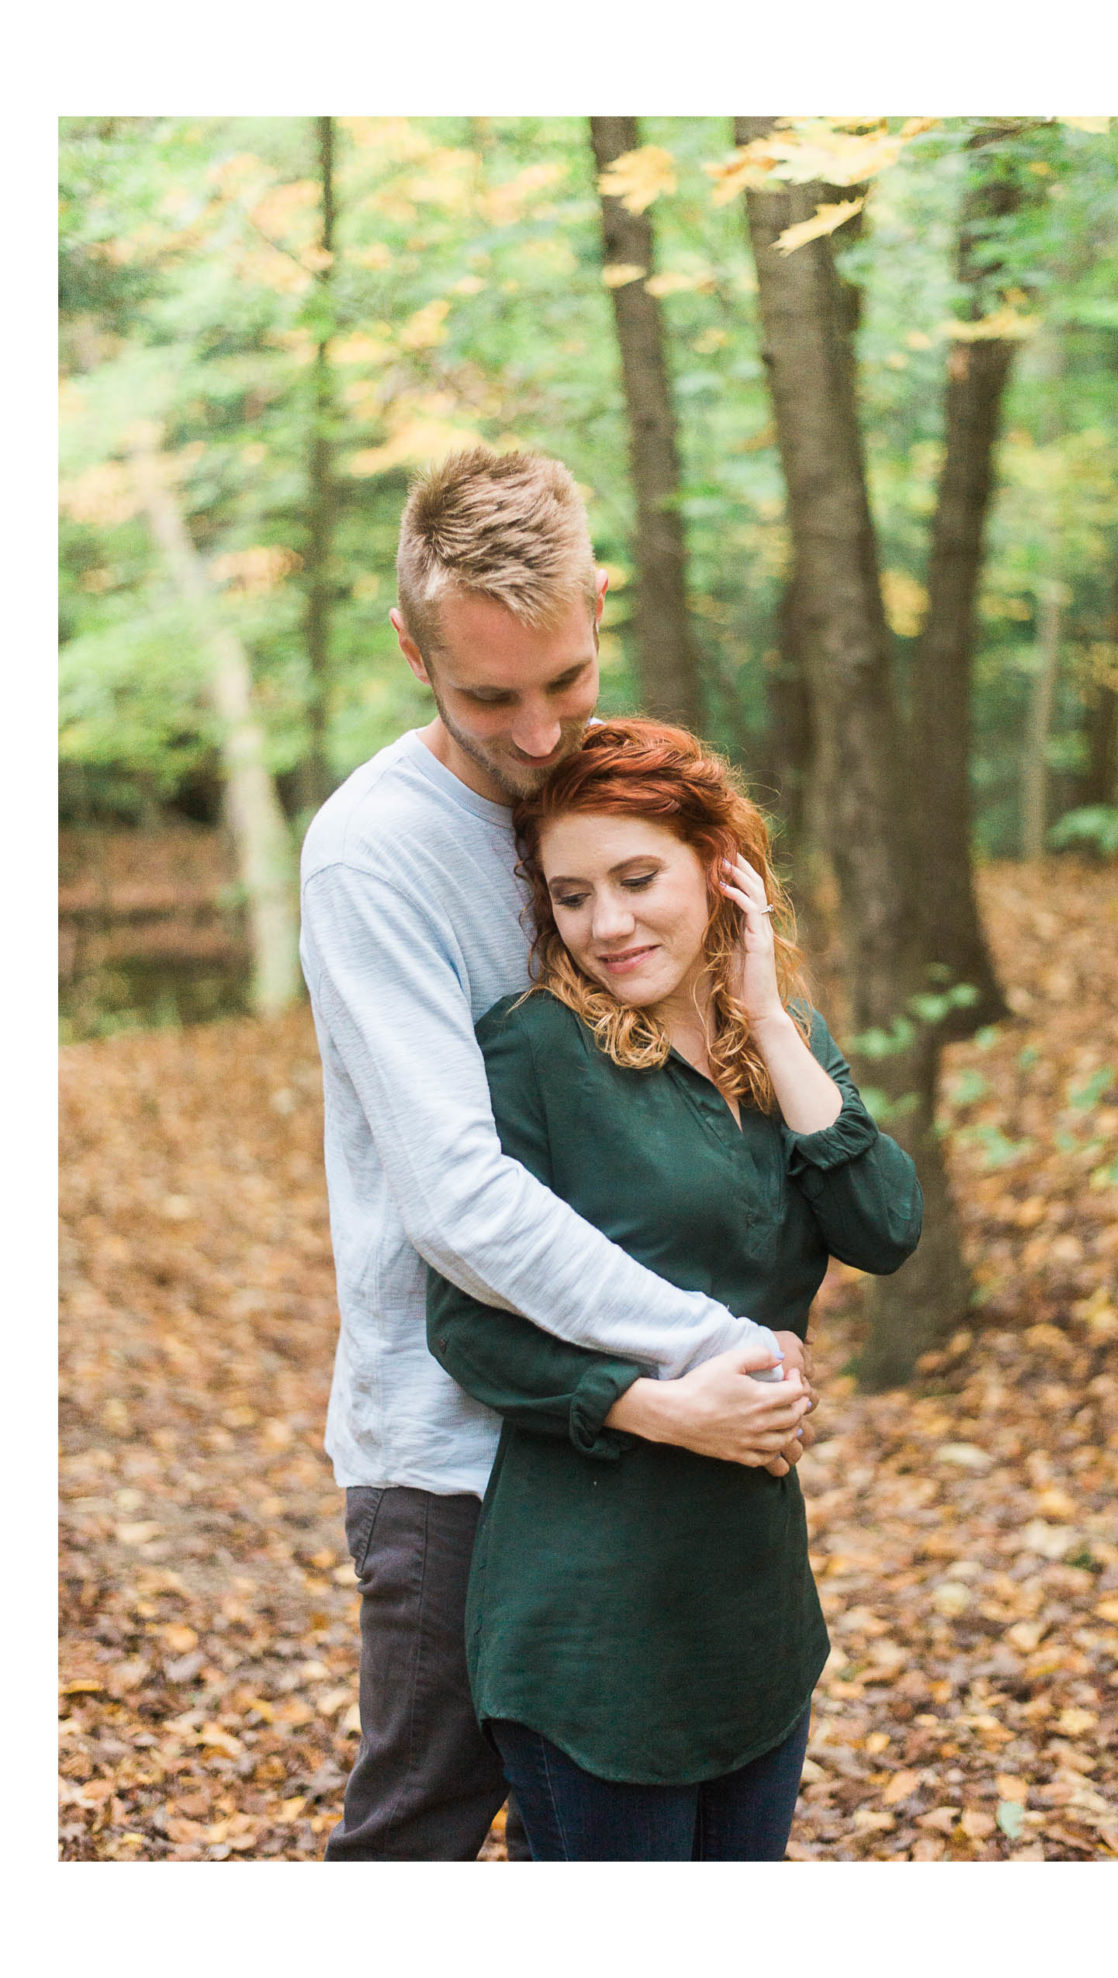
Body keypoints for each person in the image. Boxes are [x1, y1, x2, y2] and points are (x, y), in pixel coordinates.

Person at [302, 447, 830, 1860]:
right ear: (409, 645)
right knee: (417, 1831)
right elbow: (459, 1197)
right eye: (488, 696)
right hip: (463, 1453)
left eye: (569, 680)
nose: (538, 734)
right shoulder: (375, 854)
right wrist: (711, 1344)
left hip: (651, 1455)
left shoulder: (597, 801)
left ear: (599, 604)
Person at [424, 719, 920, 1859]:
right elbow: (464, 1321)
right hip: (591, 1621)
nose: (608, 923)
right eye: (572, 894)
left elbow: (885, 1228)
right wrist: (653, 1405)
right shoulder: (533, 1055)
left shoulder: (784, 1041)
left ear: (719, 862)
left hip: (753, 1610)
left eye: (638, 878)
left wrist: (763, 1018)